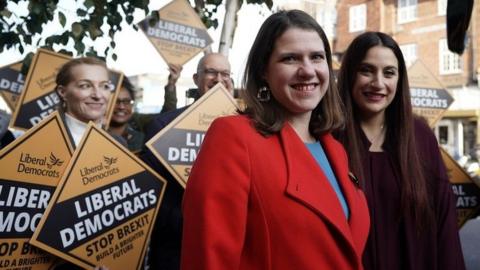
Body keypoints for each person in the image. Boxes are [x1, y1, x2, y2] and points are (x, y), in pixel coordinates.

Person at [180, 10, 370, 270]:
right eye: (290, 58)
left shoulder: (335, 149)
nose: (307, 70)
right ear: (264, 72)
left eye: (317, 57)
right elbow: (208, 259)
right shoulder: (234, 138)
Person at [335, 31, 465, 270]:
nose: (378, 83)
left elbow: (445, 224)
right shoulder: (329, 140)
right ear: (350, 74)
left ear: (399, 80)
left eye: (389, 73)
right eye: (366, 70)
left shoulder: (420, 137)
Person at [140, 52, 233, 270]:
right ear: (196, 79)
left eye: (225, 74)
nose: (218, 79)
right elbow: (149, 193)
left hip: (225, 244)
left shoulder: (244, 123)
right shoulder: (163, 126)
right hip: (174, 249)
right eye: (210, 72)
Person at [55, 57, 123, 148]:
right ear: (63, 92)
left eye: (105, 86)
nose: (98, 95)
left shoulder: (119, 143)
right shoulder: (41, 139)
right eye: (85, 86)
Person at [108, 77, 144, 153]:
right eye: (116, 101)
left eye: (126, 101)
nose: (121, 107)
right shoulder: (94, 135)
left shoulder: (142, 139)